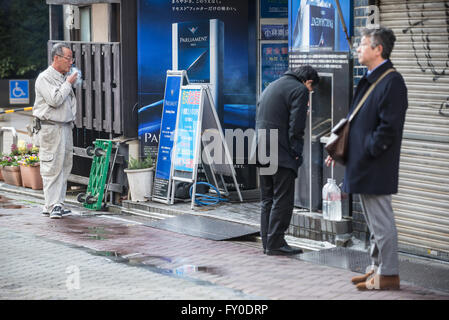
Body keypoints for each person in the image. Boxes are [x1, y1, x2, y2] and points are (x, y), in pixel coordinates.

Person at [325, 27, 408, 290]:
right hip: (363, 163)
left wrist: (367, 151)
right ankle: (376, 269)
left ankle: (389, 274)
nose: (358, 48)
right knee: (374, 224)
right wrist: (343, 151)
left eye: (362, 44)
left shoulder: (392, 81)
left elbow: (388, 129)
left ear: (378, 49)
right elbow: (356, 122)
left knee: (382, 223)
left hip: (375, 165)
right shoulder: (372, 78)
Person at [256, 66, 319, 256]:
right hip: (281, 152)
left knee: (267, 199)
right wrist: (296, 153)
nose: (310, 92)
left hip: (261, 149)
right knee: (283, 198)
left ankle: (268, 242)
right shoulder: (299, 90)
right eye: (312, 89)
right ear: (308, 82)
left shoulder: (272, 86)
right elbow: (296, 127)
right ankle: (276, 243)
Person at [33, 43, 78, 219]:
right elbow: (55, 100)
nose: (71, 62)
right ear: (56, 58)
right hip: (50, 127)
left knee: (65, 165)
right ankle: (52, 205)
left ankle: (57, 203)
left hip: (64, 127)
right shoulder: (44, 77)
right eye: (68, 58)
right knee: (51, 166)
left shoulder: (61, 76)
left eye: (71, 58)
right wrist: (68, 83)